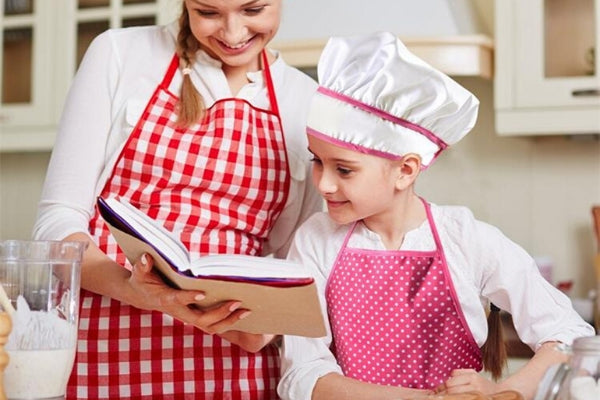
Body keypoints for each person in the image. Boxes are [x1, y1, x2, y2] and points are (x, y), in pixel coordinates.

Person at [277, 32, 596, 400]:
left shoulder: (465, 238)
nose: (324, 185)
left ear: (407, 170)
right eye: (317, 161)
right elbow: (303, 375)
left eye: (344, 170)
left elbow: (571, 335)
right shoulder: (315, 240)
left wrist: (506, 394)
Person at [32, 0, 323, 398]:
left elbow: (295, 258)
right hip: (104, 347)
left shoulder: (306, 100)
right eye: (209, 13)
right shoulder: (120, 53)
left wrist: (270, 327)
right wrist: (137, 290)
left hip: (234, 365)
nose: (233, 33)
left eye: (253, 11)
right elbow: (56, 224)